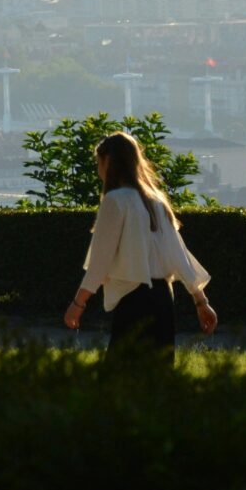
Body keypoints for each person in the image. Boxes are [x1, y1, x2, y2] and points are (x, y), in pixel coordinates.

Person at [62, 131, 217, 356]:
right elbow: (180, 255)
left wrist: (78, 305)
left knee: (122, 381)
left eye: (99, 162)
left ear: (107, 162)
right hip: (163, 299)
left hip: (133, 302)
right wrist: (201, 302)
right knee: (157, 381)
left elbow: (100, 263)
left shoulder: (115, 201)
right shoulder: (156, 202)